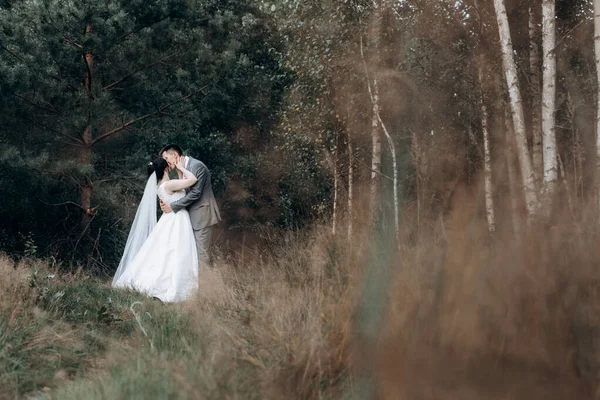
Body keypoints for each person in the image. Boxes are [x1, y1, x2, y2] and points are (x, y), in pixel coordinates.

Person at [112, 156, 199, 302]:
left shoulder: (160, 187)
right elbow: (192, 180)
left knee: (165, 251)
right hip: (177, 220)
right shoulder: (169, 185)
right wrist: (182, 168)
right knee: (177, 251)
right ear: (165, 169)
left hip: (169, 219)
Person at [159, 144, 221, 270]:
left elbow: (195, 193)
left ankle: (207, 287)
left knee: (201, 255)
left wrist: (172, 206)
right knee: (192, 256)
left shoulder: (196, 166)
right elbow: (182, 192)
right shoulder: (181, 169)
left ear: (175, 155)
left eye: (166, 158)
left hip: (202, 216)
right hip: (189, 219)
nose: (166, 163)